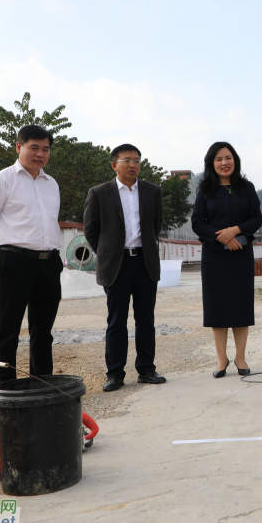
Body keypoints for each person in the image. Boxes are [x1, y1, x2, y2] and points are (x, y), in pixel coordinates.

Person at [0, 125, 63, 388]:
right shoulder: (2, 181)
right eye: (33, 147)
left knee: (43, 332)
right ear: (18, 147)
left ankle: (43, 385)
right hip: (14, 263)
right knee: (7, 332)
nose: (40, 154)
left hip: (49, 264)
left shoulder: (51, 184)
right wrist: (4, 255)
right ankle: (5, 390)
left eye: (45, 149)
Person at [84, 144, 166, 391]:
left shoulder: (153, 191)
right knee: (116, 321)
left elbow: (155, 226)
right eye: (127, 160)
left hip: (144, 263)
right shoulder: (99, 193)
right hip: (116, 265)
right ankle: (115, 374)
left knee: (146, 320)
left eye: (137, 160)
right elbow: (91, 230)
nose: (133, 165)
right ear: (114, 165)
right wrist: (108, 254)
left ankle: (146, 370)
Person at [191, 142, 262, 378]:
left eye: (228, 157)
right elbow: (198, 223)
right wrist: (222, 238)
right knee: (217, 308)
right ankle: (221, 360)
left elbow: (256, 218)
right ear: (212, 163)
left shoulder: (247, 188)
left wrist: (236, 231)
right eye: (219, 159)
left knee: (240, 307)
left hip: (241, 254)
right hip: (214, 256)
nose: (224, 163)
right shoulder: (205, 190)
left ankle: (240, 358)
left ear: (235, 160)